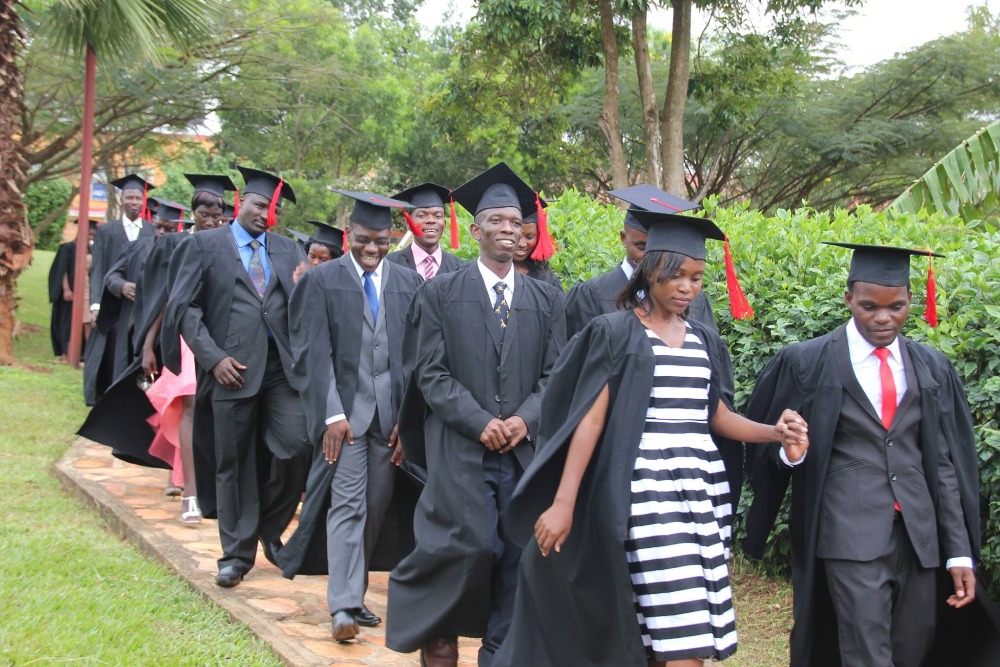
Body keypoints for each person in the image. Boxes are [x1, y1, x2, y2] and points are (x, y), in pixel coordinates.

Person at [493, 209, 808, 667]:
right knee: (683, 640)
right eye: (676, 274)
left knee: (671, 635)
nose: (687, 287)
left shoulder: (703, 339)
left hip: (700, 495)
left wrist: (773, 433)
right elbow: (590, 421)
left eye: (697, 278)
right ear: (649, 269)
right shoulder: (616, 332)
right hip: (645, 492)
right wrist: (563, 502)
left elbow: (716, 416)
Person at [742, 243, 995, 667]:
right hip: (848, 530)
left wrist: (959, 551)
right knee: (866, 653)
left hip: (919, 533)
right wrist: (791, 454)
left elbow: (945, 465)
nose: (883, 318)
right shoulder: (807, 362)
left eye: (896, 307)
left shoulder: (930, 366)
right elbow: (766, 445)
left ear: (910, 299)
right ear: (847, 299)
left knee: (914, 647)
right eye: (868, 306)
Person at [386, 162, 567, 667]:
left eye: (516, 222)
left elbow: (556, 375)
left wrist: (526, 419)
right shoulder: (440, 293)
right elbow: (429, 372)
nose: (509, 230)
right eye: (497, 222)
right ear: (477, 228)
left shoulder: (547, 300)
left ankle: (498, 652)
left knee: (515, 553)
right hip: (461, 450)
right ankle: (438, 635)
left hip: (522, 453)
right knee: (468, 548)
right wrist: (478, 420)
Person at [278, 191, 424, 642]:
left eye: (381, 240)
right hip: (345, 422)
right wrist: (332, 414)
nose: (372, 248)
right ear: (349, 235)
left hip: (389, 419)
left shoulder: (407, 283)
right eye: (363, 239)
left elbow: (417, 358)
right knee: (347, 506)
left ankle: (353, 596)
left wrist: (408, 417)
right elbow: (308, 353)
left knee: (376, 508)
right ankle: (342, 605)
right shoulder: (321, 282)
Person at [163, 166, 311, 587]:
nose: (265, 214)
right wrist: (212, 358)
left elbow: (303, 306)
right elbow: (185, 309)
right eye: (260, 204)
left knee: (296, 445)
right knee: (234, 462)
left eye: (273, 209)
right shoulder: (205, 245)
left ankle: (268, 526)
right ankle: (236, 555)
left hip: (281, 369)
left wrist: (308, 285)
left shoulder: (287, 250)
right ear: (241, 200)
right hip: (231, 371)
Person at [142, 173, 237, 522]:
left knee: (214, 412)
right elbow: (167, 298)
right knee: (191, 406)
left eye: (217, 216)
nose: (211, 221)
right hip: (186, 335)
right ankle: (190, 492)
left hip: (222, 337)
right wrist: (148, 344)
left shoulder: (231, 244)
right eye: (204, 215)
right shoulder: (180, 245)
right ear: (193, 213)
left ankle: (211, 488)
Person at [97, 199, 188, 382]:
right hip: (133, 318)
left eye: (169, 229)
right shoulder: (137, 247)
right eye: (159, 227)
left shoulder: (184, 250)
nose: (162, 232)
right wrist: (122, 286)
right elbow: (112, 275)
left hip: (165, 326)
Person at [84, 173, 155, 405]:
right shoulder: (107, 231)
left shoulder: (151, 231)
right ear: (122, 199)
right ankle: (104, 395)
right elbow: (99, 269)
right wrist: (95, 304)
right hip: (112, 300)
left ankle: (128, 397)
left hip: (138, 306)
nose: (134, 202)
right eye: (129, 197)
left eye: (138, 197)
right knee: (108, 349)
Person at [386, 182, 464, 279]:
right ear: (408, 224)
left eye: (438, 216)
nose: (431, 220)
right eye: (422, 215)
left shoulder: (460, 269)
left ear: (444, 224)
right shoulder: (388, 264)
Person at [49, 218, 97, 360]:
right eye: (87, 233)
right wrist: (66, 289)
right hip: (70, 292)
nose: (89, 236)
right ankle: (65, 353)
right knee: (67, 322)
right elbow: (61, 270)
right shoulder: (67, 248)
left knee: (86, 322)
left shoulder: (92, 250)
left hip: (87, 290)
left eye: (91, 234)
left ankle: (85, 354)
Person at [512, 200, 562, 292]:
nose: (522, 244)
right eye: (517, 236)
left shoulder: (548, 281)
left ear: (538, 237)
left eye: (530, 237)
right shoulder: (487, 274)